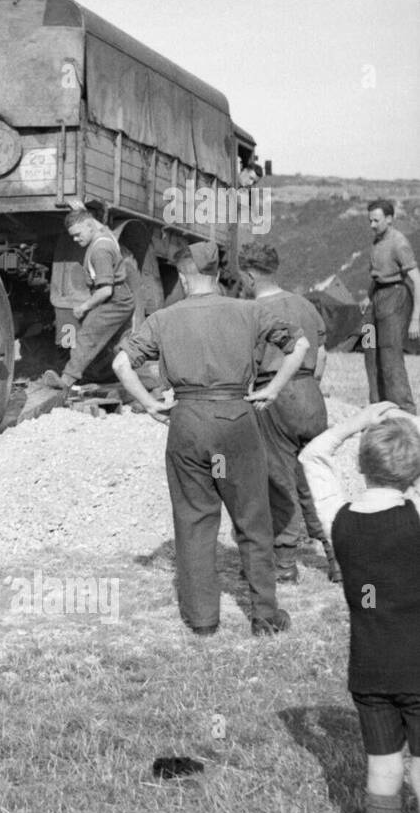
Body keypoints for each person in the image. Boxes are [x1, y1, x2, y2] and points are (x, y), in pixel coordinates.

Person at [112, 240, 310, 637]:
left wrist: (151, 404)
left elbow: (120, 362)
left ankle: (202, 620)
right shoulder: (250, 310)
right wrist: (272, 391)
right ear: (218, 277)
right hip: (236, 418)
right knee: (253, 519)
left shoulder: (164, 318)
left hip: (186, 421)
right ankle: (266, 616)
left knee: (194, 520)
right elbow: (300, 344)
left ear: (184, 279)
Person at [300, 403, 420, 813]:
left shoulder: (339, 520)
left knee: (383, 768)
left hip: (368, 669)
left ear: (361, 466)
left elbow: (312, 455)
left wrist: (360, 420)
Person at [238, 242, 338, 584]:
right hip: (312, 393)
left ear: (250, 275)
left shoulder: (252, 311)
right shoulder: (305, 305)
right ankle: (336, 559)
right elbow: (321, 355)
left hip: (276, 394)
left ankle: (284, 564)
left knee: (279, 482)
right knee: (315, 478)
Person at [42, 206, 136, 393]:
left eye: (77, 234)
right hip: (123, 298)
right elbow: (102, 226)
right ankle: (143, 384)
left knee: (87, 335)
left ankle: (66, 381)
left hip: (114, 301)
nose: (76, 240)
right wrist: (83, 210)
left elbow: (105, 290)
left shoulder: (100, 251)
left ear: (89, 225)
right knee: (120, 345)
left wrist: (83, 307)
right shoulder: (105, 235)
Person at [362, 199, 419, 414]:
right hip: (376, 298)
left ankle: (404, 410)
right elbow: (376, 275)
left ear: (389, 219)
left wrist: (416, 318)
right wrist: (368, 297)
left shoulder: (399, 242)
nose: (372, 225)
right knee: (370, 349)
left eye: (376, 221)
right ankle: (378, 405)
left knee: (390, 356)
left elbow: (417, 279)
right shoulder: (377, 241)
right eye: (370, 221)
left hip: (395, 298)